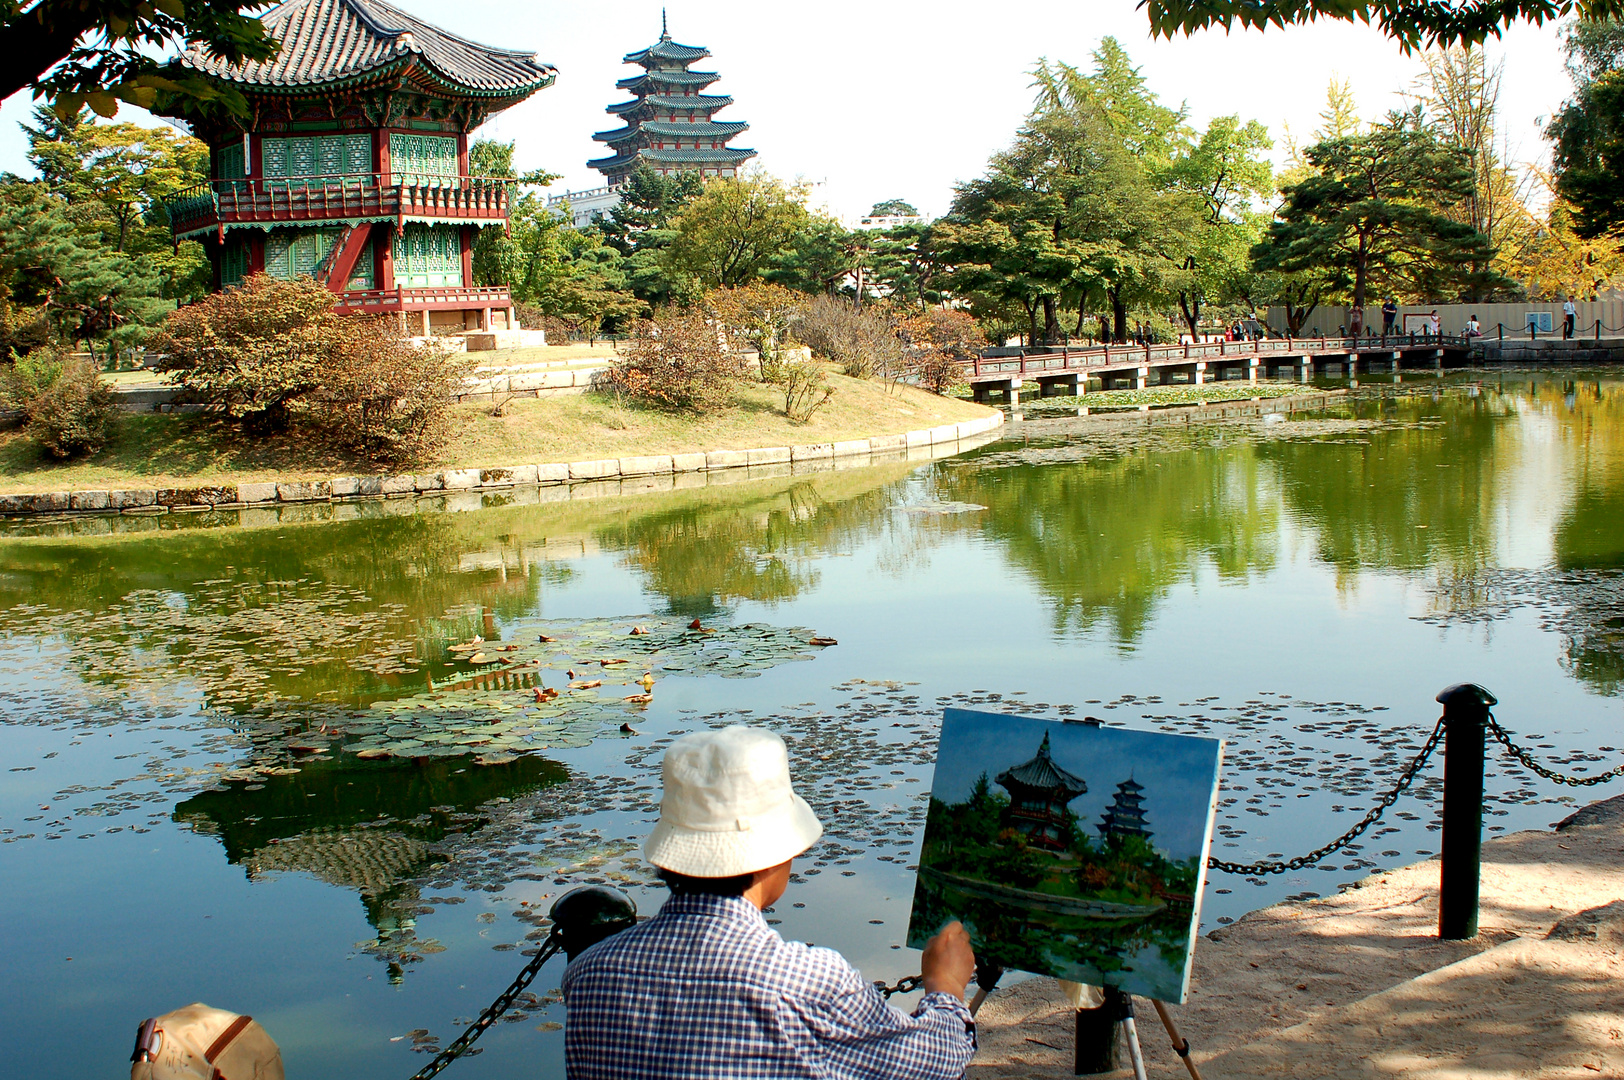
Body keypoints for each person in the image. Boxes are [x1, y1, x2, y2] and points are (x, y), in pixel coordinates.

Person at [563, 726, 978, 1080]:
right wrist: (946, 987)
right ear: (776, 853)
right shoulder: (808, 982)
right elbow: (934, 1063)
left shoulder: (589, 973)